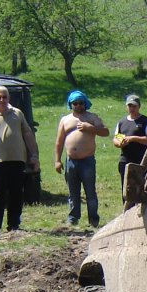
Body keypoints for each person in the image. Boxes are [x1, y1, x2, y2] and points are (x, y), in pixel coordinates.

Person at [0, 85, 39, 236]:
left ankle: (14, 226)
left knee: (16, 193)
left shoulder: (17, 113)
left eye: (4, 97)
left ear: (9, 98)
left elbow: (28, 134)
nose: (2, 100)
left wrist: (34, 155)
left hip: (17, 159)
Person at [54, 90, 109, 227]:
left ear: (85, 103)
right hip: (71, 161)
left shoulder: (92, 117)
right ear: (70, 104)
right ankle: (73, 217)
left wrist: (91, 128)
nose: (78, 106)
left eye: (81, 103)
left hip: (87, 161)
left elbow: (105, 132)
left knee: (90, 191)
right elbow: (59, 142)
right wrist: (57, 160)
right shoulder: (65, 120)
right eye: (75, 103)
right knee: (73, 192)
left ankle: (93, 219)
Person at [113, 94, 147, 189]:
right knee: (126, 188)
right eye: (129, 106)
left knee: (140, 188)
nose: (132, 108)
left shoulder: (146, 121)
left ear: (139, 106)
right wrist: (119, 143)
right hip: (125, 160)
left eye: (134, 106)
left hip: (141, 160)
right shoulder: (122, 122)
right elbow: (116, 138)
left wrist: (133, 138)